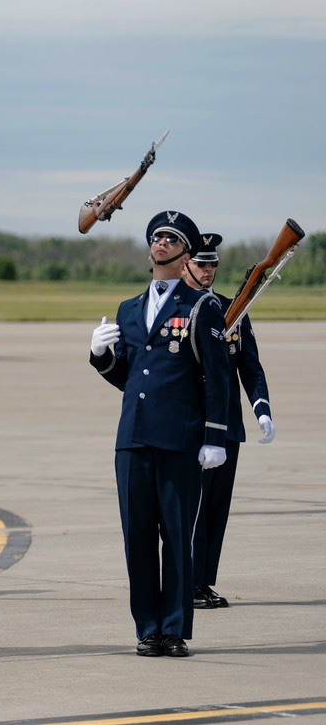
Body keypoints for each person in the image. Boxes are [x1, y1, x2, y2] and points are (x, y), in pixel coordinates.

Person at [89, 210, 230, 658]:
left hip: (180, 438)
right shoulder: (130, 309)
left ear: (186, 252)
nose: (162, 242)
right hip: (133, 438)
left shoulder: (202, 306)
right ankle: (147, 629)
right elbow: (131, 378)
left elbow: (218, 376)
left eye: (172, 238)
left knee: (176, 536)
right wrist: (100, 357)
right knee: (137, 538)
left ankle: (174, 630)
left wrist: (215, 437)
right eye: (157, 237)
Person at [180, 232, 275, 609]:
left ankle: (202, 581)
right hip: (192, 427)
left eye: (213, 265)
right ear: (185, 264)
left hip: (228, 426)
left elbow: (249, 367)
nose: (208, 271)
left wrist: (261, 408)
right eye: (201, 264)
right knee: (194, 509)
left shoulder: (230, 309)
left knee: (217, 509)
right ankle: (185, 583)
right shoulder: (179, 310)